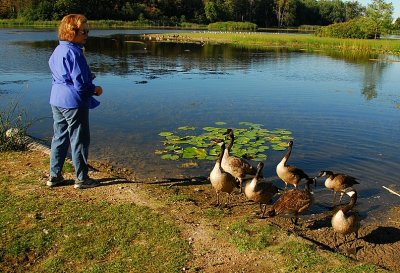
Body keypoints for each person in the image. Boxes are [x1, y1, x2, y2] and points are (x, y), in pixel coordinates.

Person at [47, 14, 103, 189]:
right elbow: (80, 86)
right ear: (71, 31)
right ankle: (82, 178)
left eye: (88, 31)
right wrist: (95, 89)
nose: (86, 34)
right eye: (83, 31)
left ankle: (54, 176)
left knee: (59, 137)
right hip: (73, 102)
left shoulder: (59, 49)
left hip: (57, 99)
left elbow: (62, 74)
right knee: (79, 140)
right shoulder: (74, 52)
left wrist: (87, 76)